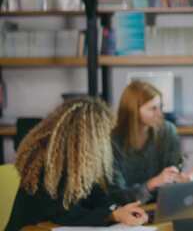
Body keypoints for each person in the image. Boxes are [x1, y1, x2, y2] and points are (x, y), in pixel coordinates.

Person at [6, 97, 148, 231]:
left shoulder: (77, 162)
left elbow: (95, 197)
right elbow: (63, 214)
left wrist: (116, 209)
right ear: (85, 137)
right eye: (101, 135)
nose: (104, 142)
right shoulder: (46, 163)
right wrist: (113, 216)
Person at [110, 81, 193, 204]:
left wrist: (182, 180)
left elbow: (173, 174)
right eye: (153, 108)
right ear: (133, 111)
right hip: (127, 211)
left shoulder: (167, 130)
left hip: (163, 206)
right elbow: (116, 195)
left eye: (160, 107)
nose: (160, 114)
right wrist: (152, 184)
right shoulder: (113, 140)